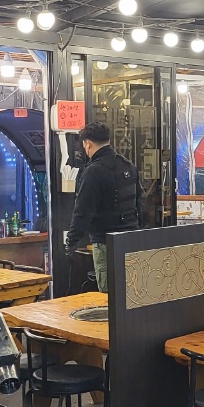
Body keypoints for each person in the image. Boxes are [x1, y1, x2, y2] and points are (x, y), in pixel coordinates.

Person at [65, 121, 141, 292]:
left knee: (108, 294)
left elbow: (83, 210)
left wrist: (72, 242)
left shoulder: (94, 171)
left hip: (106, 242)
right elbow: (139, 203)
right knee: (130, 291)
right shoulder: (128, 166)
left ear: (87, 143)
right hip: (131, 240)